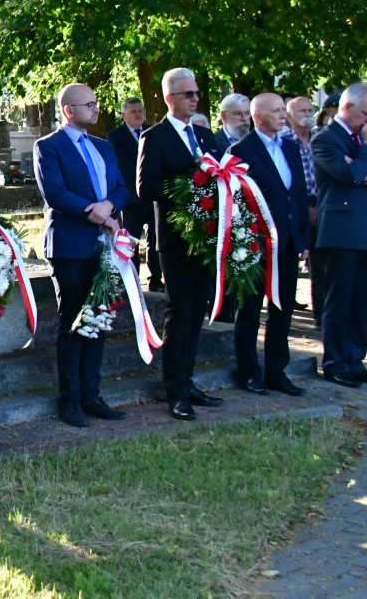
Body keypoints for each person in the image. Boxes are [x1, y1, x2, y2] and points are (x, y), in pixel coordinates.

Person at [35, 84, 130, 427]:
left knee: (99, 320)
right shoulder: (49, 146)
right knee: (73, 322)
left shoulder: (103, 147)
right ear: (68, 110)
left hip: (104, 245)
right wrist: (97, 211)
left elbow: (122, 186)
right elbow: (56, 193)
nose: (96, 109)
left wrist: (110, 206)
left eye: (96, 103)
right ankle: (70, 399)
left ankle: (92, 395)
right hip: (70, 246)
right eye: (89, 104)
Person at [137, 67, 227, 421]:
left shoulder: (206, 136)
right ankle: (174, 388)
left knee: (198, 312)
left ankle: (188, 380)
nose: (195, 99)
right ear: (169, 97)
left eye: (197, 93)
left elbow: (222, 176)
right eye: (188, 94)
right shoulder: (155, 136)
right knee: (181, 310)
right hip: (175, 240)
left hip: (207, 239)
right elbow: (146, 186)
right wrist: (190, 193)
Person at [228, 93, 310, 397]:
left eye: (282, 110)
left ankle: (277, 371)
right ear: (257, 116)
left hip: (287, 244)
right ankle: (249, 371)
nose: (281, 115)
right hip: (255, 245)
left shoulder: (290, 147)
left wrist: (302, 239)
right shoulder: (241, 150)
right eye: (275, 111)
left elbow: (298, 195)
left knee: (283, 309)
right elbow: (235, 201)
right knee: (249, 310)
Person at [312, 83, 367, 388]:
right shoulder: (326, 139)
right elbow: (348, 174)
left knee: (362, 301)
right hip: (340, 231)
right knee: (339, 300)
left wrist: (364, 169)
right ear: (347, 107)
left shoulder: (363, 137)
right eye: (366, 114)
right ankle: (335, 362)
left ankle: (355, 360)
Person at [105, 97, 163, 291]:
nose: (138, 114)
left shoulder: (152, 132)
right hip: (131, 198)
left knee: (156, 239)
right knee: (131, 240)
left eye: (140, 110)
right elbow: (122, 164)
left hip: (153, 196)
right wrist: (147, 170)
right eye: (133, 111)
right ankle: (133, 279)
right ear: (123, 115)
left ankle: (156, 279)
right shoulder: (116, 136)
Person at [284, 96, 320, 319]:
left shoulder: (321, 139)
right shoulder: (284, 141)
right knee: (294, 261)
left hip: (324, 206)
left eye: (310, 110)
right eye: (302, 111)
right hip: (297, 208)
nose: (308, 115)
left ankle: (321, 313)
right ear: (289, 116)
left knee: (322, 265)